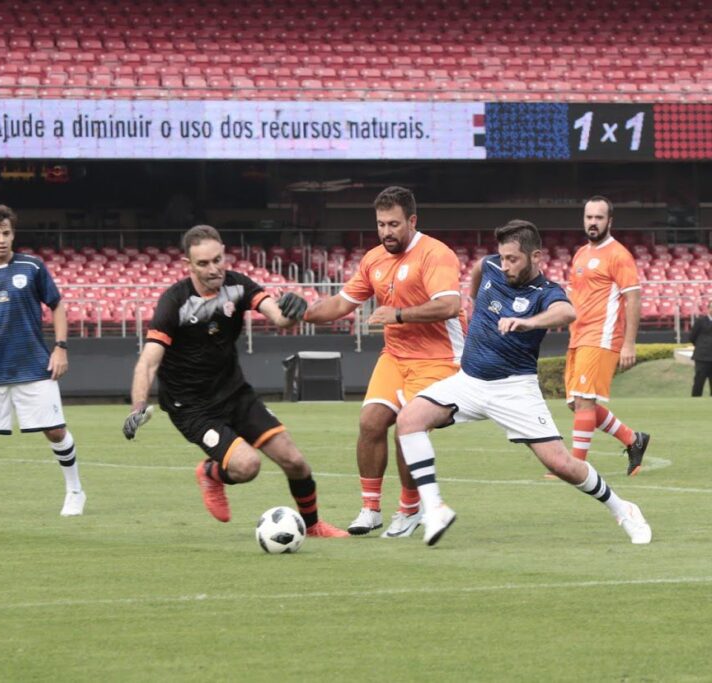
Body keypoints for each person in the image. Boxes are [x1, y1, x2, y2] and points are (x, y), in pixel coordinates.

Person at [394, 220, 652, 546]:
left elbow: (566, 313)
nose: (505, 266)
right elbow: (477, 270)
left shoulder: (547, 292)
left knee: (561, 464)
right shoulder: (490, 267)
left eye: (513, 259)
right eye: (502, 258)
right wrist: (477, 303)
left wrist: (528, 322)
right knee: (408, 420)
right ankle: (434, 508)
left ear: (536, 257)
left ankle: (623, 509)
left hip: (514, 389)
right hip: (468, 382)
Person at [123, 224, 348, 538]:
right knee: (246, 466)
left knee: (294, 460)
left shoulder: (238, 286)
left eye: (217, 259)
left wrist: (295, 309)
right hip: (192, 407)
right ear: (188, 266)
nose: (213, 268)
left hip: (235, 393)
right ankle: (210, 473)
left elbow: (280, 318)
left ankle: (313, 527)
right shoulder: (174, 302)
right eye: (203, 263)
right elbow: (148, 362)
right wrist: (136, 408)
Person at [302, 186, 466, 538]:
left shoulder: (436, 254)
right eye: (380, 224)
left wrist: (399, 314)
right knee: (371, 422)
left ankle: (408, 510)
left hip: (439, 358)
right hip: (394, 356)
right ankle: (370, 509)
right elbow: (340, 304)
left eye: (394, 224)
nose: (386, 232)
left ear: (412, 221)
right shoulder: (374, 259)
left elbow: (450, 305)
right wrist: (301, 312)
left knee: (408, 424)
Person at [0, 204, 85, 519]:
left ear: (13, 234)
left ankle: (75, 491)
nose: (1, 239)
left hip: (34, 367)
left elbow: (58, 306)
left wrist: (61, 347)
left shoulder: (33, 267)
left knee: (55, 431)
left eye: (6, 233)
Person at [564, 196, 649, 476]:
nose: (593, 222)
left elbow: (633, 299)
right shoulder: (580, 254)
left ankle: (576, 467)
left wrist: (629, 342)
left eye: (599, 217)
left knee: (585, 402)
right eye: (589, 217)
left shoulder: (619, 255)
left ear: (609, 221)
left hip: (602, 336)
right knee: (577, 404)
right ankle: (632, 439)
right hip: (578, 336)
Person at [689, 300, 712, 396]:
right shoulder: (701, 321)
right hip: (702, 358)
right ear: (708, 308)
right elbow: (692, 337)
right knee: (698, 383)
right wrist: (700, 346)